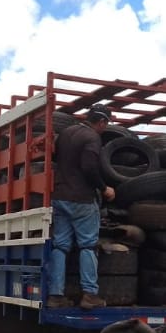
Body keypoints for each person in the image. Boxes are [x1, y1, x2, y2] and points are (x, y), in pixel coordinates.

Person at [48, 104, 116, 309]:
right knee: (87, 245)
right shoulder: (92, 137)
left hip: (59, 196)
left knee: (60, 246)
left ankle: (55, 295)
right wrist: (104, 189)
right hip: (82, 199)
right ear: (102, 122)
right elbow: (89, 167)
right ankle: (89, 294)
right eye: (106, 124)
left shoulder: (66, 132)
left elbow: (55, 158)